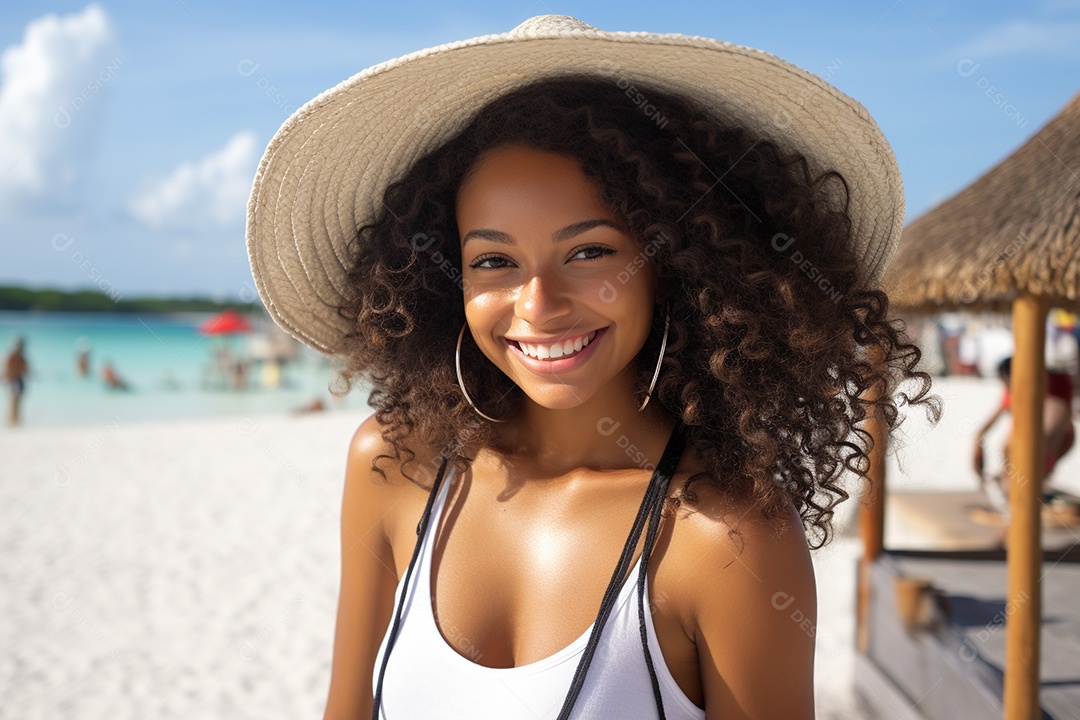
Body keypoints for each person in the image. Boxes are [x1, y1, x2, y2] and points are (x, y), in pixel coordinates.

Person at [245, 14, 940, 720]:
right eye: (494, 261)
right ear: (443, 281)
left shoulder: (724, 536)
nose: (538, 304)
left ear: (669, 267)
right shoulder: (393, 465)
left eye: (589, 252)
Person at [974, 356, 1075, 506]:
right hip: (1042, 443)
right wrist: (979, 457)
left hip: (1053, 439)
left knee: (1047, 418)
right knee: (1015, 444)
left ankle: (1025, 483)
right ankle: (1019, 484)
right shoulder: (1014, 391)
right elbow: (983, 431)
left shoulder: (1055, 392)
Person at [4, 335, 30, 426]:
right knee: (14, 401)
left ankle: (15, 421)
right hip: (14, 381)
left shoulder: (21, 357)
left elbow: (26, 371)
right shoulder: (14, 356)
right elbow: (7, 369)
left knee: (16, 401)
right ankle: (13, 421)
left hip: (18, 381)